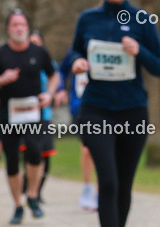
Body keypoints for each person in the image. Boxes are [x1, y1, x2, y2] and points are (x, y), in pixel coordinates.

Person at [67, 0, 160, 227]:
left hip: (133, 111)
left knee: (123, 184)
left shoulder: (141, 19)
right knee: (108, 181)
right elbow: (72, 52)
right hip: (95, 110)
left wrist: (139, 51)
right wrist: (76, 62)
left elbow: (159, 66)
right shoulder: (87, 19)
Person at [0, 10, 59, 224]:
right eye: (15, 25)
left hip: (34, 113)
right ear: (8, 28)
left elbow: (54, 75)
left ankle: (32, 195)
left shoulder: (39, 52)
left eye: (22, 24)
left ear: (27, 26)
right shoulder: (0, 55)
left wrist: (49, 94)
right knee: (13, 161)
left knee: (35, 153)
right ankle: (17, 205)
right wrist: (1, 80)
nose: (19, 28)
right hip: (8, 115)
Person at [58, 47, 98, 211]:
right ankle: (88, 187)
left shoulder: (110, 42)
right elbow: (61, 72)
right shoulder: (74, 51)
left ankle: (101, 191)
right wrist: (61, 90)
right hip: (81, 107)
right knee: (87, 150)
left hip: (105, 106)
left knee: (105, 150)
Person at [22, 30, 58, 204]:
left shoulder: (49, 65)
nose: (34, 45)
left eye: (37, 42)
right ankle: (29, 188)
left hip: (44, 116)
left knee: (45, 155)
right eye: (32, 42)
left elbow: (57, 81)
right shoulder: (22, 62)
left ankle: (36, 191)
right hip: (25, 116)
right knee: (30, 154)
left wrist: (57, 94)